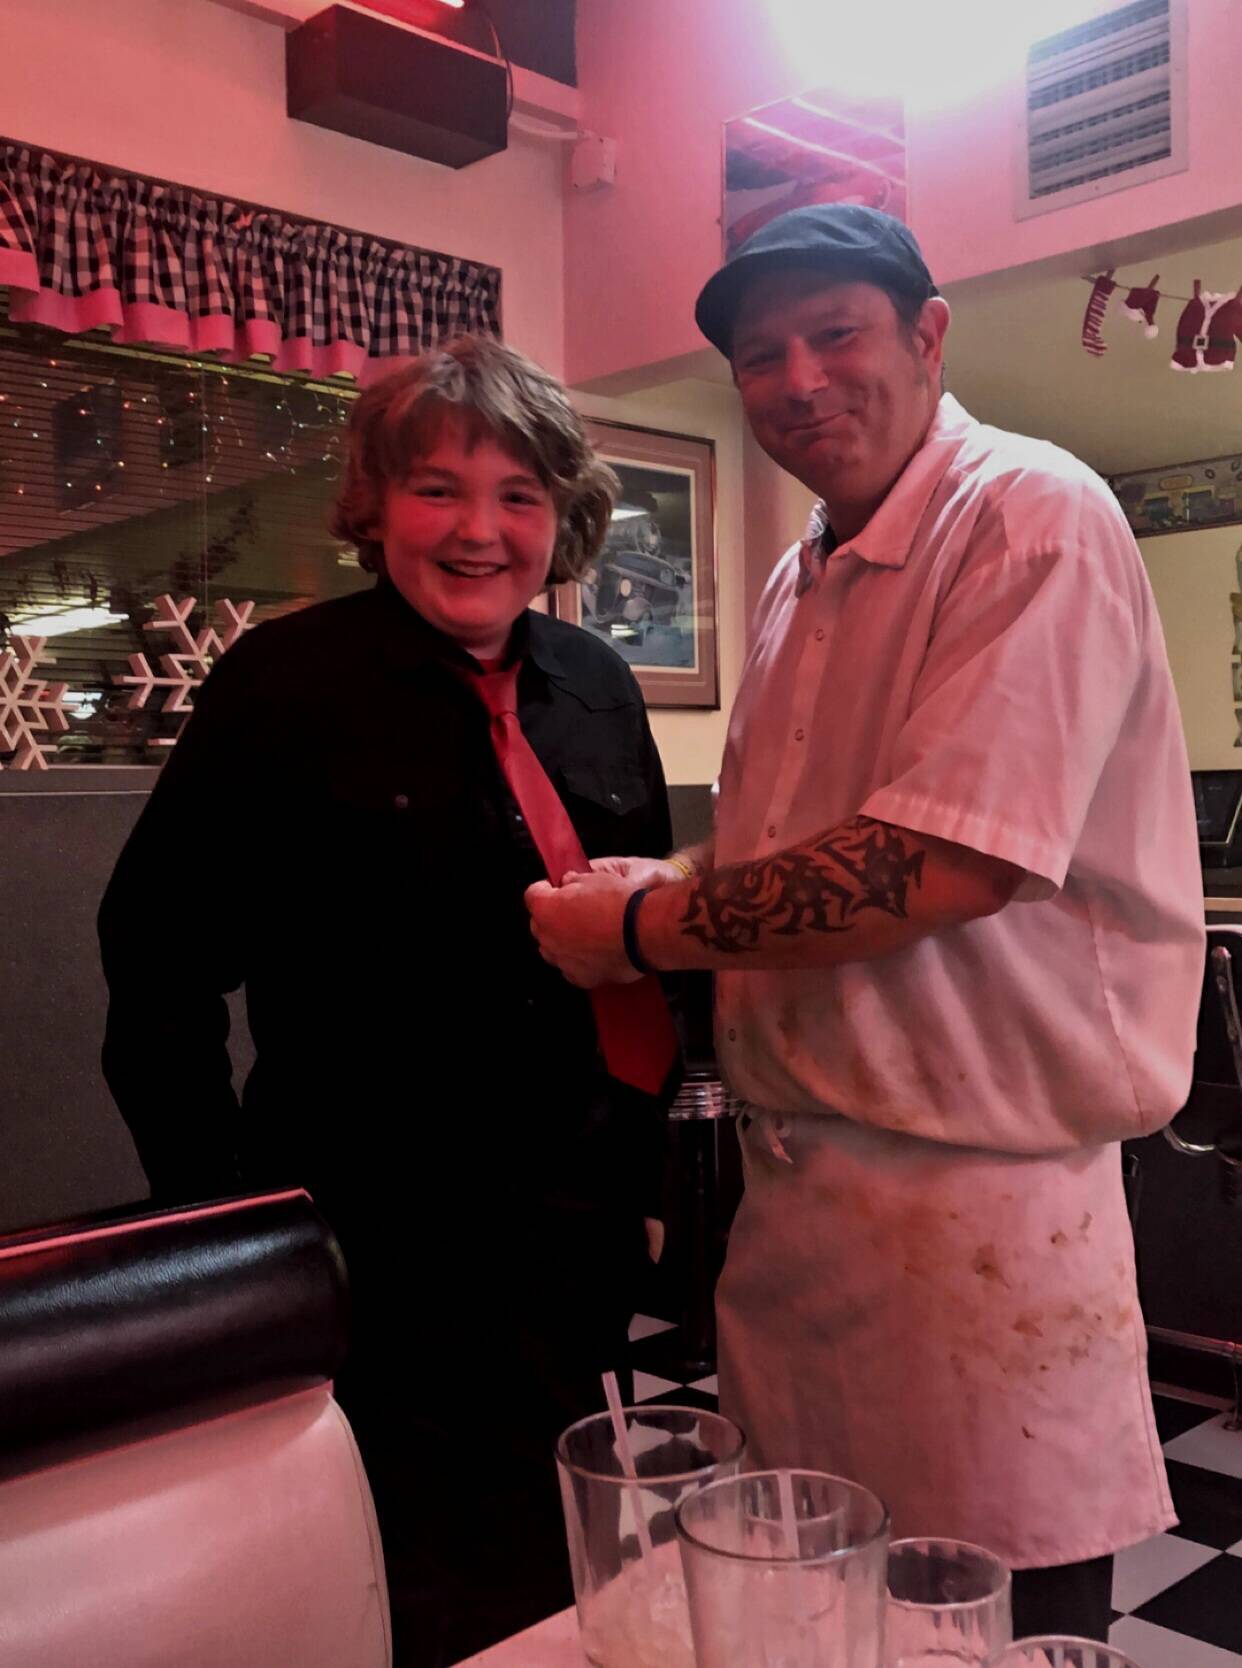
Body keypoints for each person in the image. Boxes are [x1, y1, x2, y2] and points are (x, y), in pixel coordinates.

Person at [527, 204, 1205, 1642]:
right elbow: (804, 842)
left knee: (981, 1620)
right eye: (759, 356)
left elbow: (944, 867)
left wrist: (645, 936)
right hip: (803, 1203)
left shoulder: (1029, 511)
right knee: (821, 1619)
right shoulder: (796, 574)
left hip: (979, 1202)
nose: (797, 380)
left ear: (927, 334)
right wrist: (669, 883)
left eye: (834, 332)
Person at [98, 336, 679, 1667]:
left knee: (563, 1541)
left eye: (519, 494)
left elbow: (648, 950)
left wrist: (651, 1168)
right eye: (438, 488)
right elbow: (157, 960)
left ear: (562, 516)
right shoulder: (282, 687)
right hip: (378, 1233)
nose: (480, 529)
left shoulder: (597, 687)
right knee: (398, 1570)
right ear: (375, 506)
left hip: (573, 1216)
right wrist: (228, 1223)